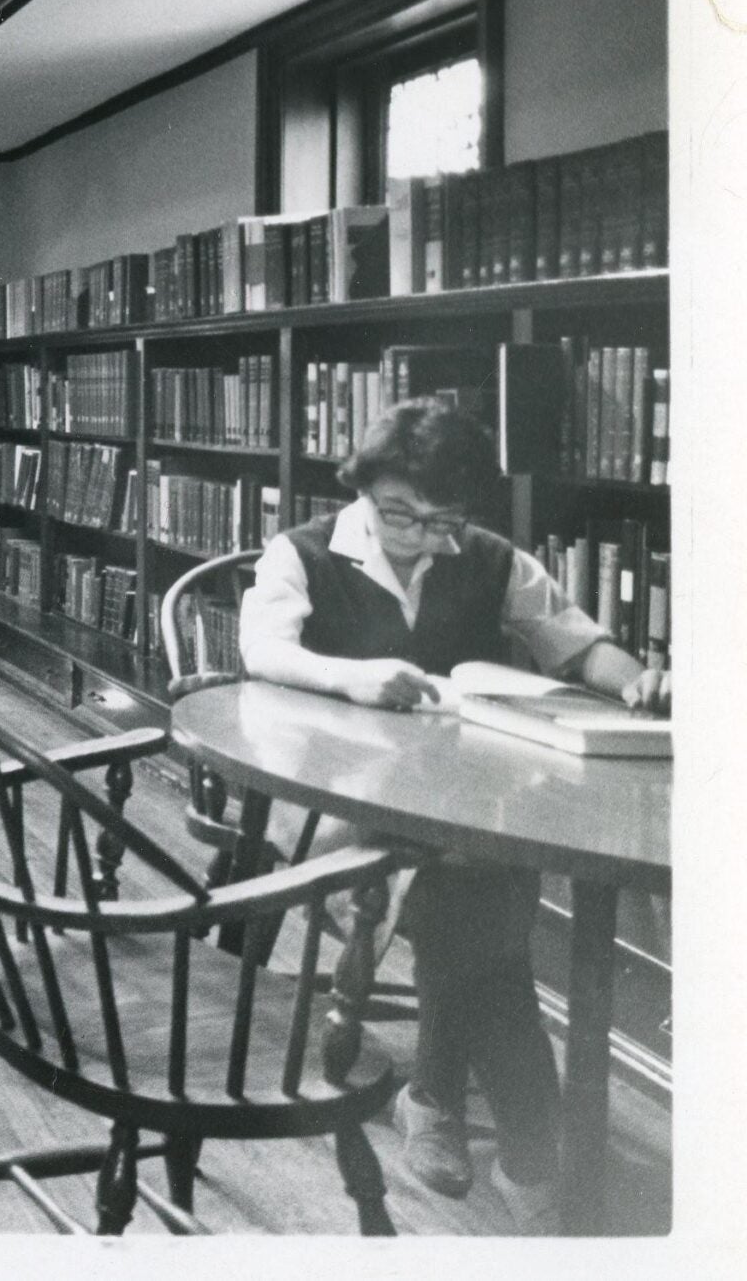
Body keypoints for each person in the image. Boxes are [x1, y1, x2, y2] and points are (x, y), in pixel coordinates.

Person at [236, 398, 661, 1221]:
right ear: (363, 490)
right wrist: (353, 676)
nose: (423, 535)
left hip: (453, 805)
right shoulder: (301, 553)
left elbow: (575, 642)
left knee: (472, 871)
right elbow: (261, 649)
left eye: (444, 521)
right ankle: (529, 1143)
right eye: (402, 513)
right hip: (330, 803)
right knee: (478, 890)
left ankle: (441, 1097)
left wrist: (633, 677)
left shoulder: (490, 557)